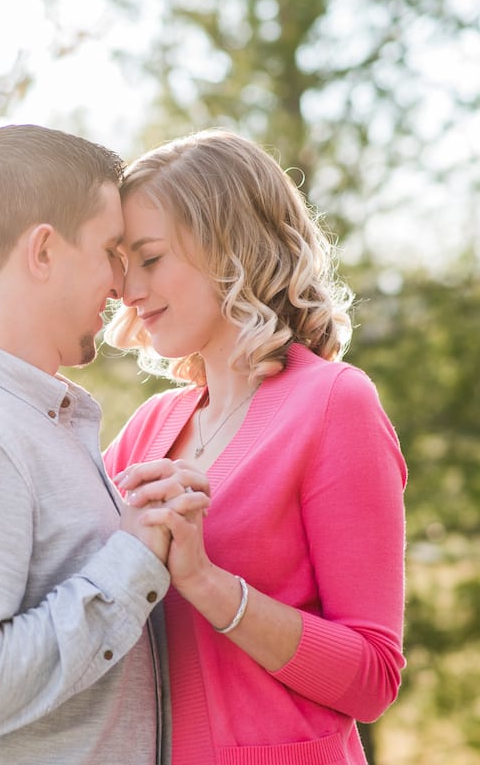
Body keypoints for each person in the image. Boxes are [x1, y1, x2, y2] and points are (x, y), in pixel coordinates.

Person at [0, 124, 209, 765]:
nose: (120, 283)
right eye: (110, 249)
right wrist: (132, 560)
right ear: (43, 251)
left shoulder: (31, 421)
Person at [105, 128, 407, 764]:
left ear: (230, 250)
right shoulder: (148, 428)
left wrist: (208, 584)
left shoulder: (334, 405)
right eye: (122, 265)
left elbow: (372, 678)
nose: (130, 290)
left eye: (151, 259)